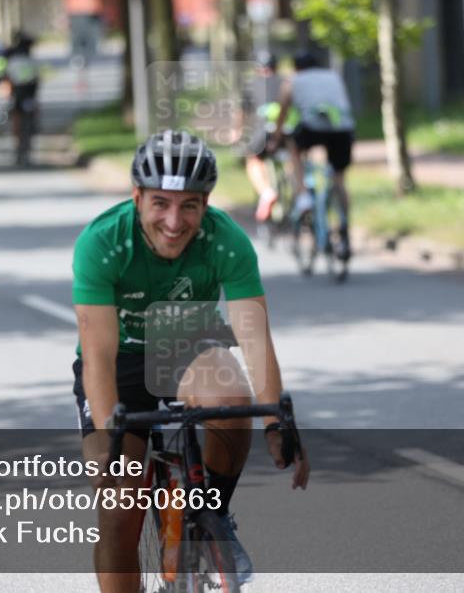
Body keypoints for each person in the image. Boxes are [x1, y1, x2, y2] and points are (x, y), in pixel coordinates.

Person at [71, 129, 310, 592]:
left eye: (189, 206)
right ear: (137, 197)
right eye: (160, 203)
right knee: (120, 504)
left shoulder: (225, 240)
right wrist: (108, 438)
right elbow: (98, 355)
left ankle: (210, 518)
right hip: (118, 361)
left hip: (187, 345)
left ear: (206, 203)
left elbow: (254, 339)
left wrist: (277, 424)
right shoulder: (102, 242)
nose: (174, 221)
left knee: (232, 399)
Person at [268, 52, 356, 261]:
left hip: (311, 128)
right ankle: (344, 227)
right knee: (339, 179)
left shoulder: (292, 81)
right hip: (343, 128)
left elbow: (282, 112)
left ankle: (303, 195)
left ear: (296, 68)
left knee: (293, 147)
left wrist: (275, 139)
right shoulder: (333, 76)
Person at [238, 52, 298, 222]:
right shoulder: (287, 81)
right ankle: (297, 191)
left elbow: (242, 113)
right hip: (286, 130)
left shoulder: (251, 84)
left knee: (253, 159)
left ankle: (266, 192)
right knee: (293, 159)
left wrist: (239, 132)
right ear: (276, 66)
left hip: (263, 132)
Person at [4, 31, 39, 153]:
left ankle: (17, 142)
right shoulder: (30, 61)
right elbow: (36, 78)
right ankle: (33, 126)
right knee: (33, 108)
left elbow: (8, 79)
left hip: (18, 91)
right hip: (29, 90)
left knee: (16, 116)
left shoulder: (13, 61)